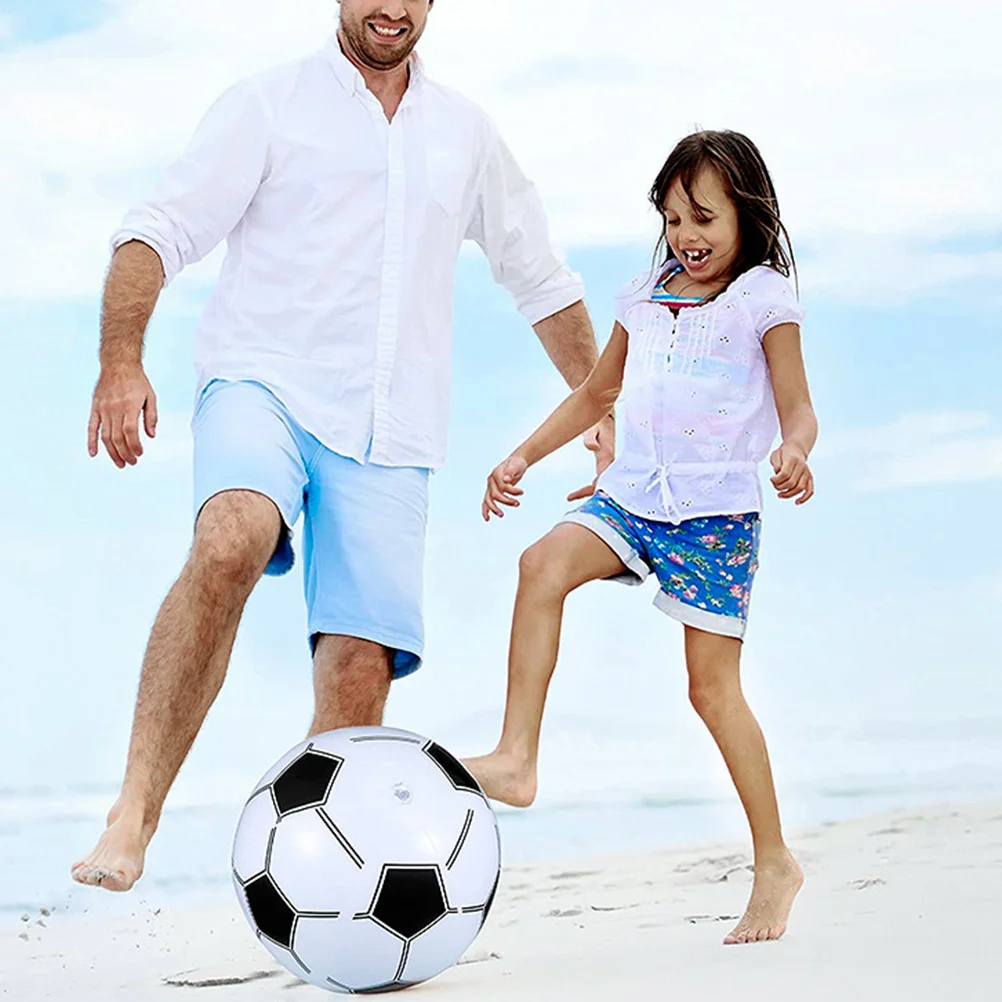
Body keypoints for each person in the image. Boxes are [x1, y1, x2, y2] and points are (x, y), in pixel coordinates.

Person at [74, 0, 613, 893]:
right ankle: (133, 812)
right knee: (232, 535)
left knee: (360, 670)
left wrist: (597, 400)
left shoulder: (467, 134)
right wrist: (120, 360)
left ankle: (320, 894)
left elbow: (540, 279)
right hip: (265, 383)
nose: (391, 9)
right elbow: (154, 231)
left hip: (393, 428)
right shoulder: (266, 105)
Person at [465, 130, 818, 945]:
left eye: (704, 216)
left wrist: (793, 449)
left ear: (748, 215)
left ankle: (775, 862)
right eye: (672, 218)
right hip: (631, 497)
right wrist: (521, 454)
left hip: (713, 515)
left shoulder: (765, 299)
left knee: (710, 690)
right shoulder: (645, 294)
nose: (687, 235)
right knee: (541, 562)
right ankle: (517, 758)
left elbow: (798, 404)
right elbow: (597, 392)